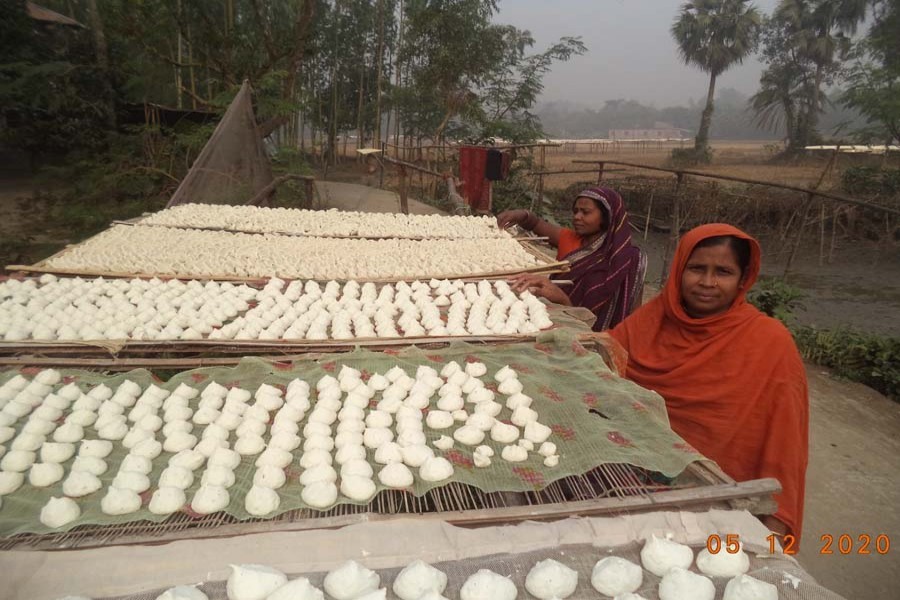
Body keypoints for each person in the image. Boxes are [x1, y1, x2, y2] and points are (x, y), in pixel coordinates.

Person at [609, 223, 809, 539]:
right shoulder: (654, 318)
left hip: (723, 500)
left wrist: (774, 534)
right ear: (678, 270)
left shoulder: (771, 343)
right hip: (633, 482)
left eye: (723, 272)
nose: (707, 282)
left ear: (743, 279)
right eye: (697, 268)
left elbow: (785, 444)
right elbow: (602, 360)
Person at [496, 187, 643, 331]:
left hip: (594, 334)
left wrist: (563, 299)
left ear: (607, 217)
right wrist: (520, 215)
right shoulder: (569, 239)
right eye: (575, 211)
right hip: (551, 320)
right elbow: (536, 224)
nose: (577, 217)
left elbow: (633, 314)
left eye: (585, 212)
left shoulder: (627, 260)